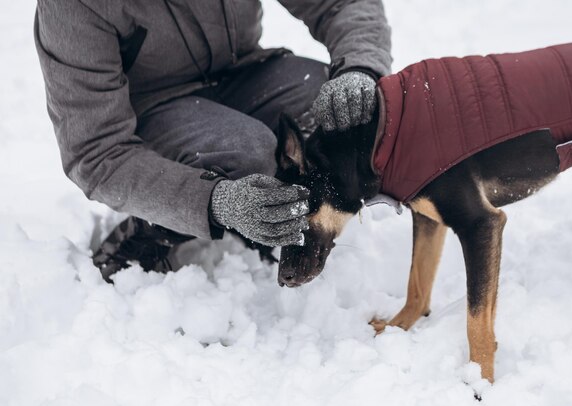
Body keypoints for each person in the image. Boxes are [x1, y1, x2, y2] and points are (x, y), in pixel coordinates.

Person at [34, 0, 392, 281]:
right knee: (248, 154)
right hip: (155, 106)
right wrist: (216, 201)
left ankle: (275, 220)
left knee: (337, 109)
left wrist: (359, 67)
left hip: (241, 72)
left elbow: (339, 3)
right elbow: (97, 153)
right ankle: (154, 229)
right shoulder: (72, 7)